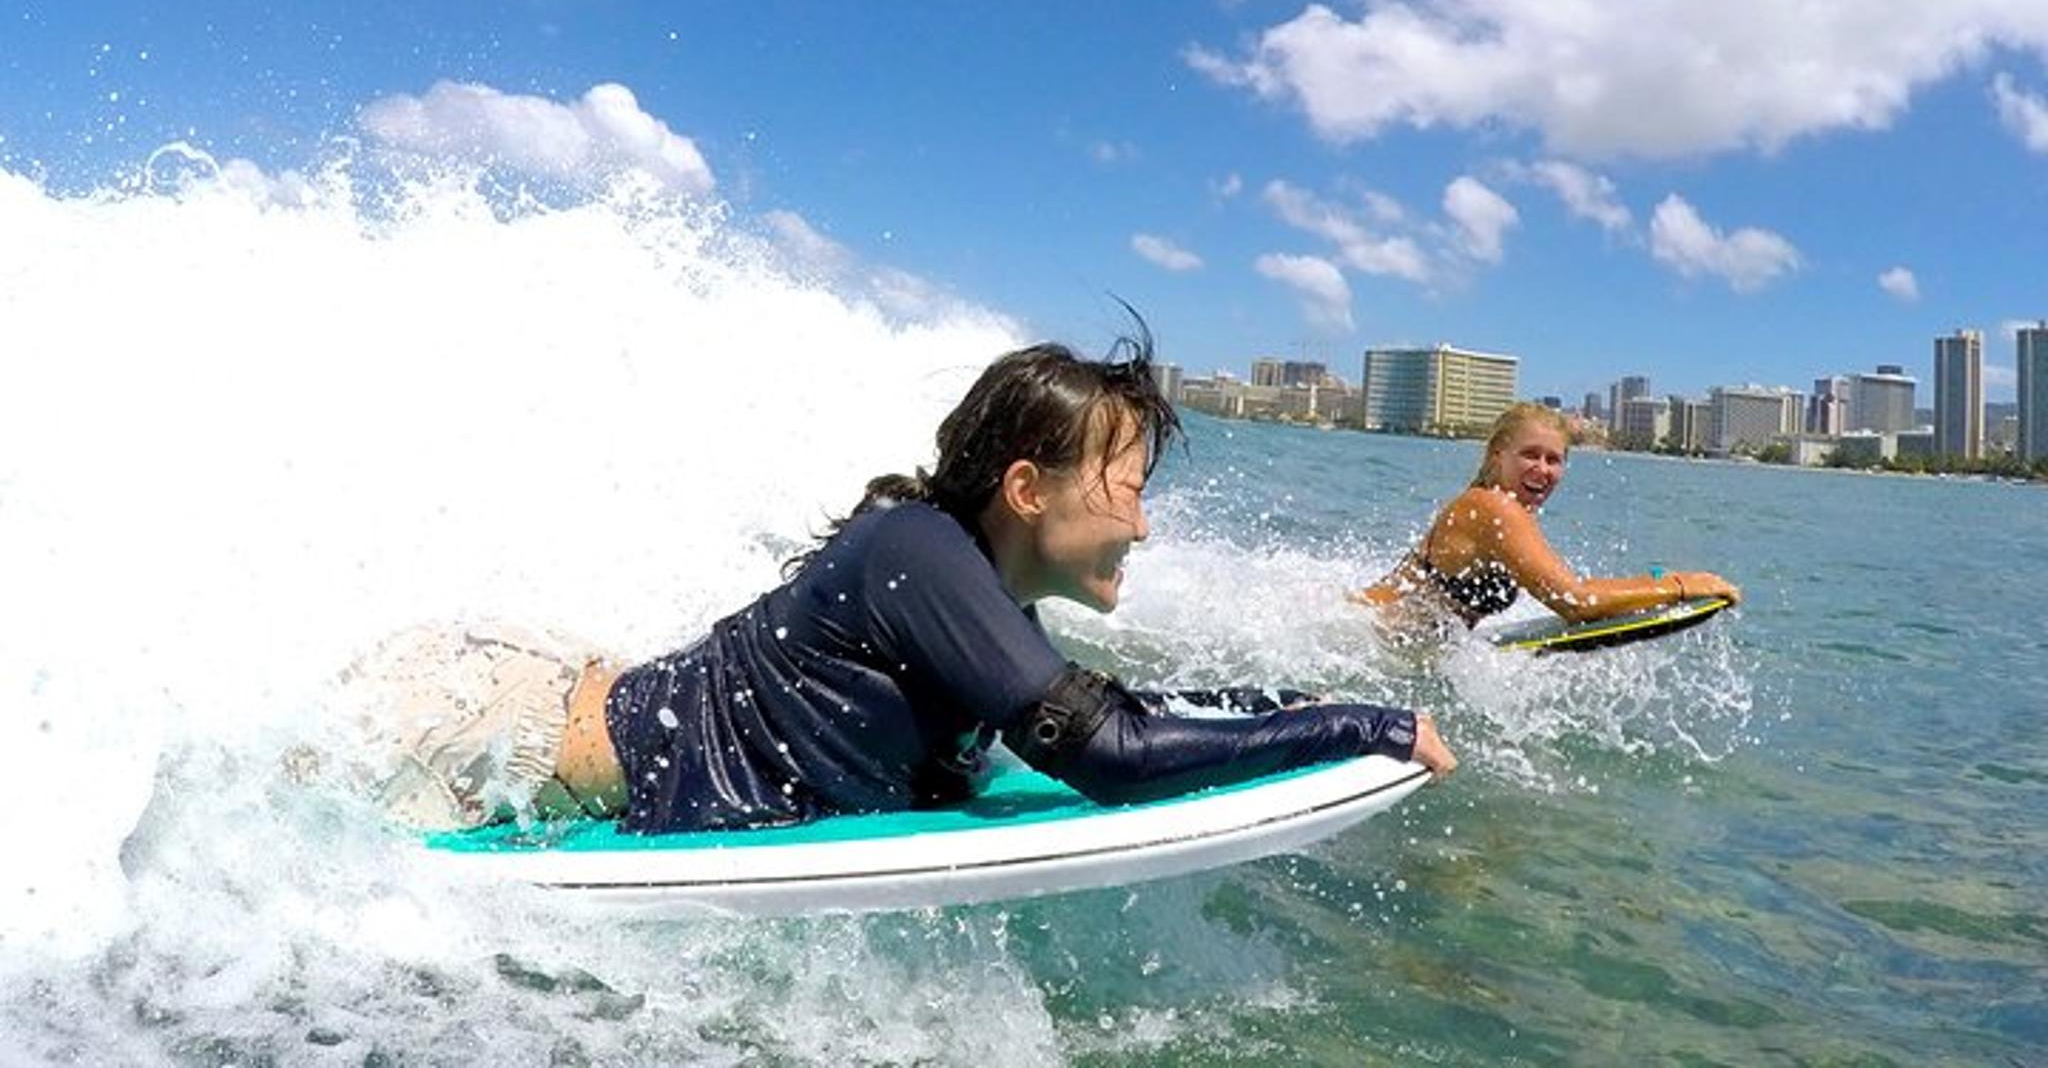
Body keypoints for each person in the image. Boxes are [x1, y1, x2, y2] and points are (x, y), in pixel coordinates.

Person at [344, 328, 1455, 835]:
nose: (1145, 524)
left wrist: (1285, 703)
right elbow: (1107, 755)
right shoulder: (917, 552)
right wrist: (1361, 725)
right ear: (1027, 488)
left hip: (552, 709)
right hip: (492, 733)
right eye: (1127, 487)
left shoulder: (979, 597)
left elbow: (1112, 713)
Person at [1352, 401, 1741, 633]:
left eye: (1554, 460)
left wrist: (1651, 584)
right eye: (1530, 455)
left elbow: (1569, 586)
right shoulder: (1494, 509)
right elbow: (1577, 602)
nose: (1543, 469)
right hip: (1364, 635)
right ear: (1497, 457)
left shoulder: (1506, 509)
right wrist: (1680, 586)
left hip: (1389, 641)